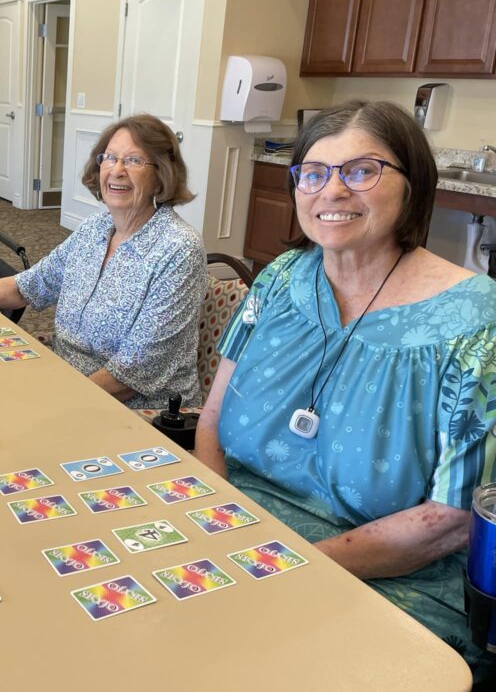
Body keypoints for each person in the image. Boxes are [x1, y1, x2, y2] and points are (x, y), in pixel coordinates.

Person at [194, 100, 496, 678]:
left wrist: (277, 566)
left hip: (384, 578)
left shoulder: (475, 321)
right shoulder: (282, 279)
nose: (331, 190)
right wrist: (212, 521)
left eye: (361, 170)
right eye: (314, 173)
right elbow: (210, 421)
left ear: (412, 185)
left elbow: (453, 518)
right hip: (232, 532)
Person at [0, 114, 206, 410]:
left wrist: (53, 402)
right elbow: (28, 286)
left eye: (134, 161)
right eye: (109, 158)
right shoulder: (94, 229)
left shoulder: (178, 249)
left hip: (139, 410)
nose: (117, 170)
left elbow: (135, 372)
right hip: (66, 377)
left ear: (161, 175)